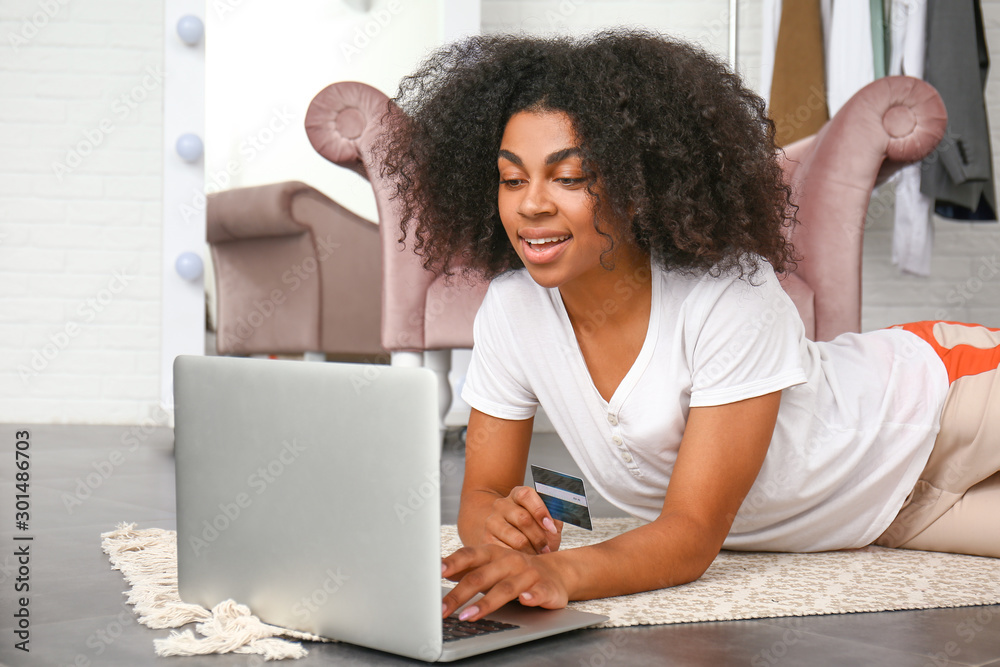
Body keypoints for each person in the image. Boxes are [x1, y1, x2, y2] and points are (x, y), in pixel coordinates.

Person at [377, 29, 1000, 623]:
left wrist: (563, 574)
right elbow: (482, 493)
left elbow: (692, 533)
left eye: (569, 178)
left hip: (947, 404)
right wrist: (498, 527)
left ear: (636, 185)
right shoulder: (512, 314)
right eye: (512, 179)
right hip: (885, 513)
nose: (532, 203)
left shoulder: (729, 294)